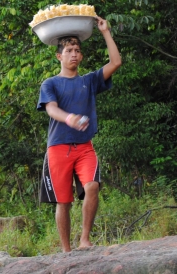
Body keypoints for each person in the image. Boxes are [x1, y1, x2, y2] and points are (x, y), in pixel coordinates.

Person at [37, 16, 122, 252]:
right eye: (69, 50)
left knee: (92, 186)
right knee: (64, 202)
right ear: (59, 56)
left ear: (81, 55)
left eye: (77, 50)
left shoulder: (89, 81)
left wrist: (105, 32)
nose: (74, 54)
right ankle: (66, 251)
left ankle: (85, 239)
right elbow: (51, 109)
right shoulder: (50, 83)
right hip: (58, 148)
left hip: (84, 146)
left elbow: (115, 62)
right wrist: (69, 118)